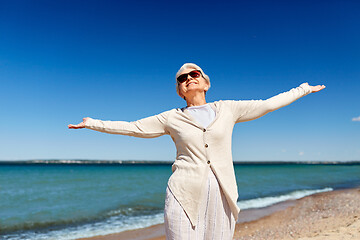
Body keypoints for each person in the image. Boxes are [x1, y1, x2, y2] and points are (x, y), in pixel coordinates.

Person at [68, 63, 325, 239]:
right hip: (183, 193)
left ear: (206, 83)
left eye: (195, 74)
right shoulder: (172, 117)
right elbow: (134, 127)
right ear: (180, 90)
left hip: (223, 194)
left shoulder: (228, 109)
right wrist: (94, 123)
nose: (189, 78)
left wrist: (302, 89)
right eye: (182, 78)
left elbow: (268, 104)